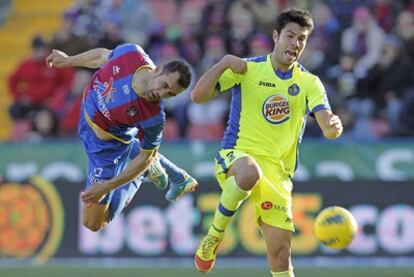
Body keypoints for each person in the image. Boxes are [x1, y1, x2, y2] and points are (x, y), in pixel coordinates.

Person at [191, 8, 343, 277]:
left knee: (281, 256)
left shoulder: (309, 82)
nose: (295, 44)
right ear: (276, 36)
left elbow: (327, 125)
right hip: (237, 155)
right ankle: (214, 236)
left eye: (302, 39)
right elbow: (198, 96)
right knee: (250, 172)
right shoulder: (247, 68)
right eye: (290, 35)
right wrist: (223, 62)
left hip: (278, 174)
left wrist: (334, 127)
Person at [46, 43, 198, 232]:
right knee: (140, 150)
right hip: (86, 116)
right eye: (164, 85)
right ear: (157, 69)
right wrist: (69, 60)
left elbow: (145, 157)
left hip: (107, 150)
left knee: (93, 222)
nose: (161, 94)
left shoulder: (154, 117)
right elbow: (102, 56)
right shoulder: (131, 54)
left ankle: (141, 173)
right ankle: (174, 175)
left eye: (170, 94)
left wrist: (107, 186)